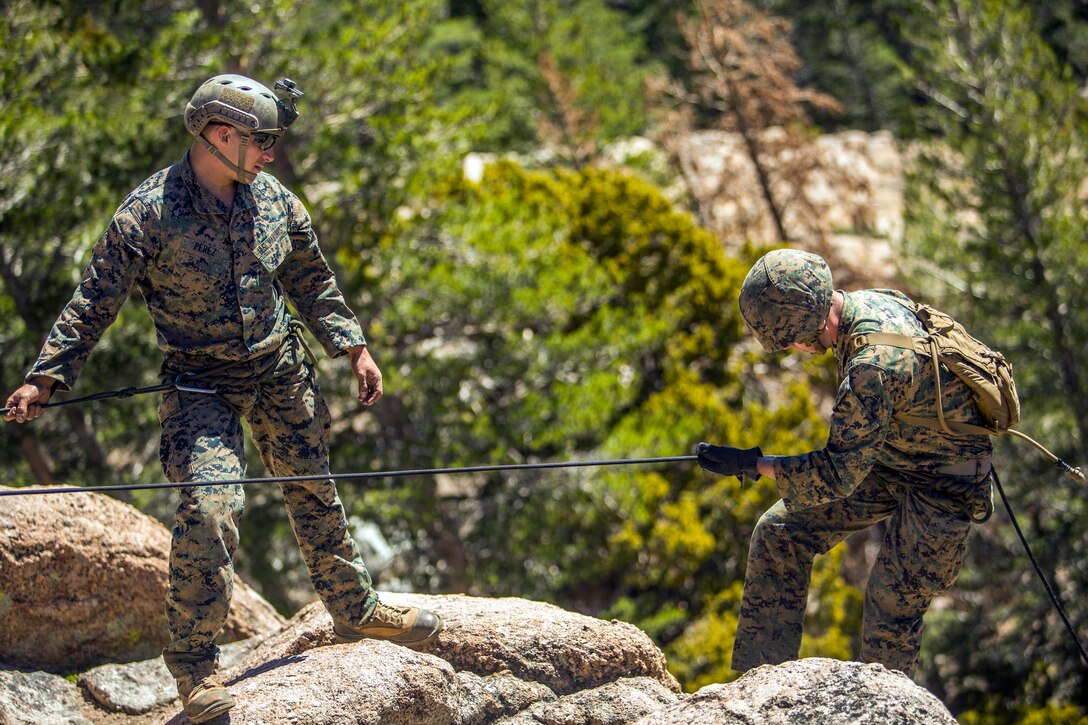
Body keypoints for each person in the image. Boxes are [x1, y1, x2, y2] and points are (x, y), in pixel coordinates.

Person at [3, 73, 442, 723]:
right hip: (198, 384)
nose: (270, 153)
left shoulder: (276, 204)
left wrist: (354, 347)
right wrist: (45, 376)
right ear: (220, 135)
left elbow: (312, 282)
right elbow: (93, 300)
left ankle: (356, 609)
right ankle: (195, 667)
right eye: (261, 140)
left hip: (278, 371)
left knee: (314, 486)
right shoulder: (149, 212)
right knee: (211, 504)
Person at [696, 248, 994, 677]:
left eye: (791, 342)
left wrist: (754, 464)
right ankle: (758, 684)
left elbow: (838, 475)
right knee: (780, 533)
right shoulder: (865, 302)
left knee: (892, 602)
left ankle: (888, 712)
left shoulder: (871, 365)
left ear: (808, 328)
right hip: (892, 460)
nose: (796, 350)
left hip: (945, 484)